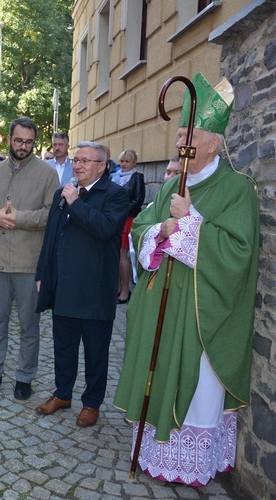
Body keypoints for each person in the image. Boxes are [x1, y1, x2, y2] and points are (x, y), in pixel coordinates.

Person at [114, 73, 258, 486]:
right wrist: (160, 230)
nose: (179, 145)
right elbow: (143, 226)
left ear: (212, 143)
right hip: (160, 303)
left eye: (187, 137)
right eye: (177, 136)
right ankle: (153, 454)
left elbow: (239, 252)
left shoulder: (237, 189)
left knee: (195, 391)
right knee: (155, 377)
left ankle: (189, 465)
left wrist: (190, 223)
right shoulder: (173, 185)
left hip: (201, 315)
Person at [34, 141, 128, 427]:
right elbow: (51, 236)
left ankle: (91, 403)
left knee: (95, 350)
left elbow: (104, 228)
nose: (78, 165)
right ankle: (62, 394)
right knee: (63, 346)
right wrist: (43, 273)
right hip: (64, 285)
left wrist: (76, 202)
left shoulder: (115, 194)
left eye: (86, 161)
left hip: (95, 288)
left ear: (102, 165)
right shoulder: (62, 193)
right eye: (76, 160)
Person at [0, 116, 60, 401]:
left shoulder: (48, 173)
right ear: (9, 139)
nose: (24, 146)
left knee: (29, 326)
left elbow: (52, 215)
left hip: (28, 262)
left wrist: (19, 218)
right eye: (19, 140)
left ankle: (25, 377)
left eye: (30, 142)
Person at [111, 149, 145, 304]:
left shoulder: (137, 177)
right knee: (114, 255)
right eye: (122, 161)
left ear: (134, 163)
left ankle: (125, 290)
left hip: (127, 219)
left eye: (127, 161)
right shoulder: (114, 177)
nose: (123, 164)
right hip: (113, 219)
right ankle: (116, 288)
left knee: (122, 256)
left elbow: (138, 200)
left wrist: (121, 212)